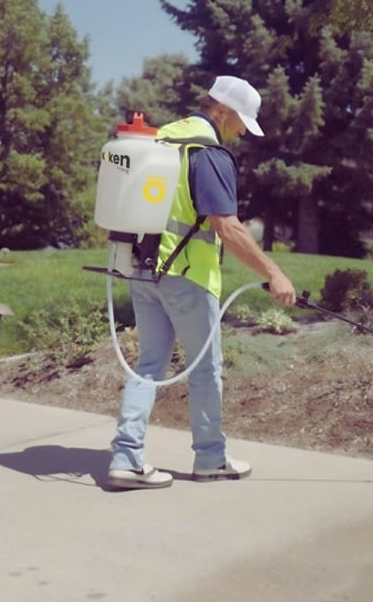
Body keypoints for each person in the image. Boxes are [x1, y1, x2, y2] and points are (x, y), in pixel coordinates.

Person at [107, 75, 297, 490]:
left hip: (140, 268)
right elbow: (227, 227)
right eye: (241, 122)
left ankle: (126, 457)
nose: (243, 131)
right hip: (187, 276)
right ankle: (210, 458)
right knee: (206, 370)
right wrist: (273, 272)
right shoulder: (208, 153)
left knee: (149, 365)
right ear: (222, 111)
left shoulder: (162, 138)